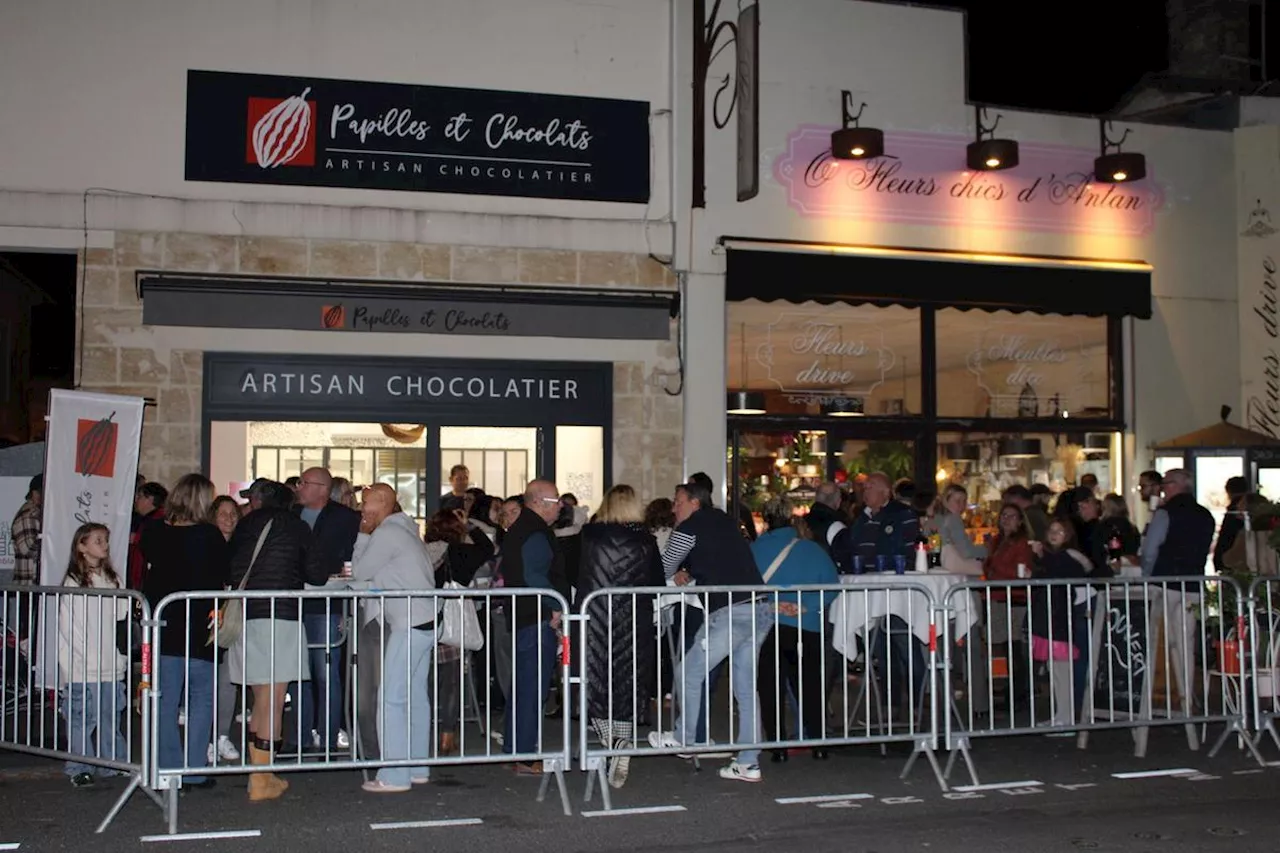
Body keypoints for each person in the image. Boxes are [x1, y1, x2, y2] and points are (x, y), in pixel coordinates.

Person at [650, 479, 772, 783]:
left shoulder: (689, 527)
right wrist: (690, 571)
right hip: (759, 608)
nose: (673, 507)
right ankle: (748, 761)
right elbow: (720, 558)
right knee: (745, 689)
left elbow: (663, 567)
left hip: (730, 612)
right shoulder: (724, 522)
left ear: (695, 503)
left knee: (688, 672)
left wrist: (677, 570)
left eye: (678, 501)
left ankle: (684, 737)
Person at [226, 480, 327, 802]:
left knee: (259, 696)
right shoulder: (295, 526)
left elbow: (230, 567)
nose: (249, 502)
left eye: (252, 498)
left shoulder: (243, 526)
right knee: (274, 698)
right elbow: (316, 574)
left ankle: (258, 771)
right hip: (280, 615)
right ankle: (261, 778)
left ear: (261, 500)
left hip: (245, 614)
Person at [141, 474, 229, 789]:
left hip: (164, 624)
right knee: (201, 698)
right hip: (199, 624)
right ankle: (195, 768)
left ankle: (168, 767)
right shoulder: (209, 535)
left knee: (163, 699)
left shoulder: (153, 531)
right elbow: (223, 572)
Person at [351, 483, 438, 793]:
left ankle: (395, 775)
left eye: (367, 504)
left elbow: (360, 571)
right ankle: (416, 766)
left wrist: (362, 534)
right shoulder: (406, 530)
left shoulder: (387, 533)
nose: (363, 510)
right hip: (425, 619)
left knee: (391, 698)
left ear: (385, 501)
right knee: (415, 696)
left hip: (409, 621)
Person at [576, 485, 663, 788]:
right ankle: (621, 742)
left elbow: (577, 573)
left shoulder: (589, 536)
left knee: (594, 680)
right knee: (626, 683)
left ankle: (611, 741)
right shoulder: (645, 541)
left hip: (595, 618)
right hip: (632, 621)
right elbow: (657, 583)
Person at [751, 497, 838, 762]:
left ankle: (777, 746)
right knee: (810, 686)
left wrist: (776, 606)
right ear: (791, 519)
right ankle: (818, 742)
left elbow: (745, 586)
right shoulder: (812, 550)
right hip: (807, 627)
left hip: (768, 626)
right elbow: (833, 585)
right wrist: (805, 606)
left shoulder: (753, 550)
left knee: (770, 688)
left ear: (765, 521)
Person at [499, 479, 570, 774]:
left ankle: (515, 749)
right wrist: (555, 605)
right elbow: (535, 574)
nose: (561, 506)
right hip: (535, 616)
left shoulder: (522, 529)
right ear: (539, 502)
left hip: (525, 614)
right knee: (532, 688)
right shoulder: (535, 532)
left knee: (524, 686)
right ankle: (525, 755)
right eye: (556, 501)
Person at [291, 468, 360, 754]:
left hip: (327, 604)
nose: (299, 488)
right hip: (293, 605)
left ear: (322, 488)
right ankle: (300, 737)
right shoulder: (290, 515)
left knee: (325, 672)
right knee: (296, 672)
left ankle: (329, 738)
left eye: (304, 483)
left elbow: (351, 558)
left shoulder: (344, 519)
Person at [57, 523, 129, 788]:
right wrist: (81, 658)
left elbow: (121, 620)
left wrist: (120, 656)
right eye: (98, 540)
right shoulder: (73, 582)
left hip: (110, 662)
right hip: (82, 665)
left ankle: (113, 763)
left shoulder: (114, 579)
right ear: (82, 546)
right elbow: (70, 627)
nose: (105, 545)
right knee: (82, 717)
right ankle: (79, 766)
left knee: (111, 714)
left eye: (106, 540)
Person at [1213, 477, 1251, 573]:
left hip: (1234, 564)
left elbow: (1225, 539)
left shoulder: (1233, 513)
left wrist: (1218, 563)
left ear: (1228, 491)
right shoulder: (1255, 511)